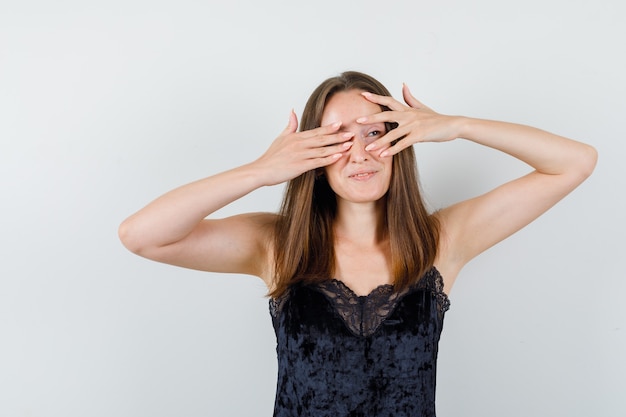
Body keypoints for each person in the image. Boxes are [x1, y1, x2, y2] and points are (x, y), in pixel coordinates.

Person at [118, 71, 597, 416]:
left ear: (400, 140)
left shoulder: (441, 240)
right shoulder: (277, 245)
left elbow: (575, 161)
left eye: (374, 133)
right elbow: (141, 236)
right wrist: (262, 171)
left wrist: (458, 125)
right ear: (313, 152)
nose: (362, 153)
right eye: (339, 138)